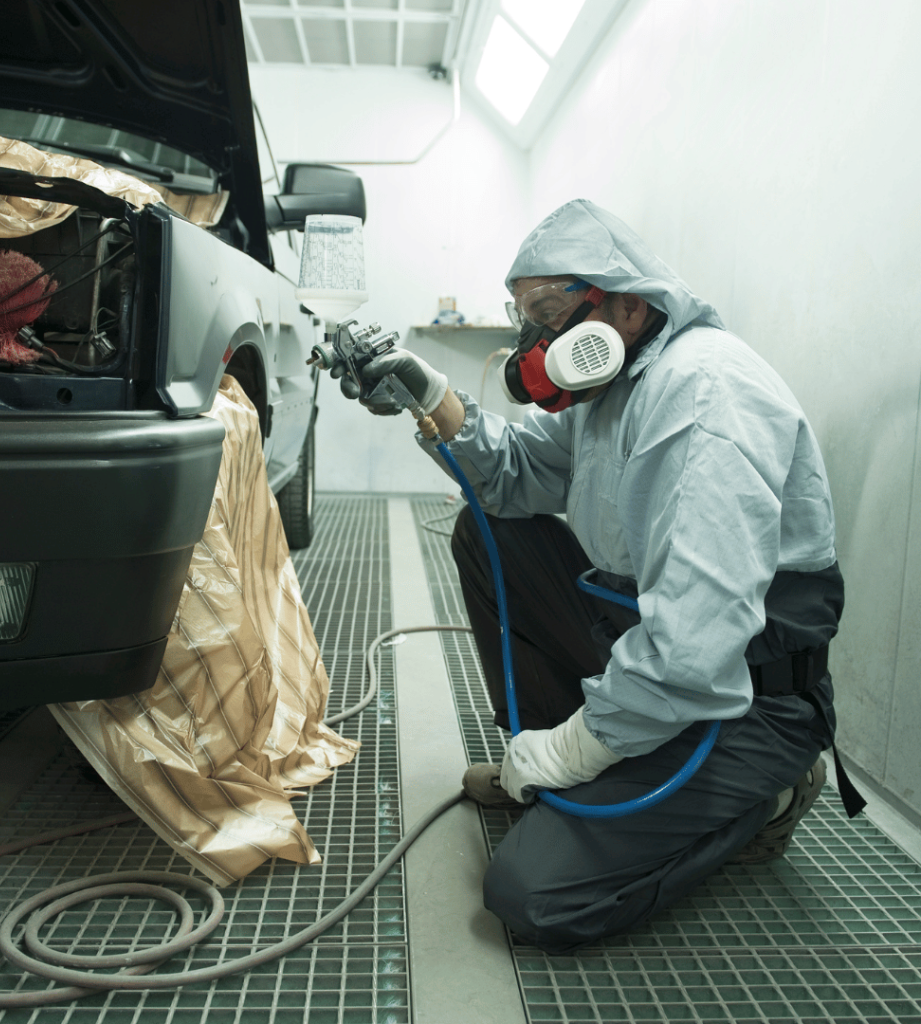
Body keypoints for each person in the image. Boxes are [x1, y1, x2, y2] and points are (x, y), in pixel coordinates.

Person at [342, 199, 860, 954]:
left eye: (550, 312)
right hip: (649, 654)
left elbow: (691, 654)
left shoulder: (703, 399)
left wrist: (568, 754)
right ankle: (580, 756)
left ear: (626, 302)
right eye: (526, 319)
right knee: (493, 535)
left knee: (531, 894)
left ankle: (769, 798)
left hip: (746, 701)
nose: (537, 342)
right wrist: (428, 394)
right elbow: (512, 476)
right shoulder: (609, 395)